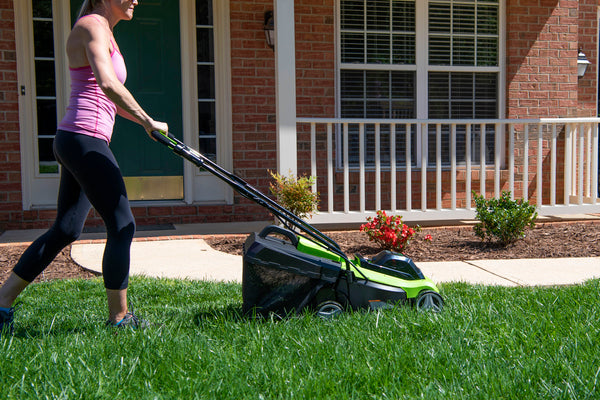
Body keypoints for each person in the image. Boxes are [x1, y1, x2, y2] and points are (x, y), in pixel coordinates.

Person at [0, 0, 168, 334]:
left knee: (66, 230)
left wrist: (145, 125)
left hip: (78, 139)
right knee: (122, 225)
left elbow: (109, 97)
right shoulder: (91, 26)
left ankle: (1, 302)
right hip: (83, 139)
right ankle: (119, 319)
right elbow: (107, 83)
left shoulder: (105, 31)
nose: (135, 0)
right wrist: (148, 120)